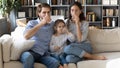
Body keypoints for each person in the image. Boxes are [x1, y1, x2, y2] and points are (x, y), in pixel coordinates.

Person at [20, 3, 62, 68]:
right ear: (39, 14)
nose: (47, 15)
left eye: (48, 12)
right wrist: (41, 24)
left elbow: (62, 31)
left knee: (55, 63)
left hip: (44, 54)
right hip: (31, 52)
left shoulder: (53, 25)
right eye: (44, 13)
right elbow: (26, 36)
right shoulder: (32, 23)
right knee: (28, 57)